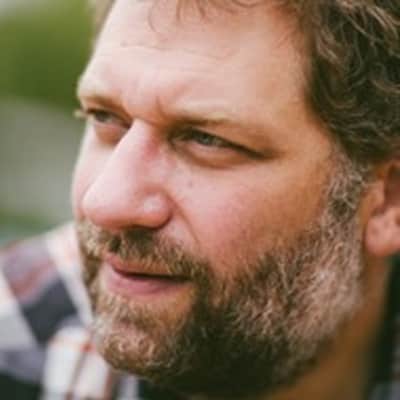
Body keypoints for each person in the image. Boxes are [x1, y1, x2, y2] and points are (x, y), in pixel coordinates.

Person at [1, 0, 400, 399]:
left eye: (206, 140)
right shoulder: (14, 343)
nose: (105, 203)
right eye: (105, 117)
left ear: (387, 200)